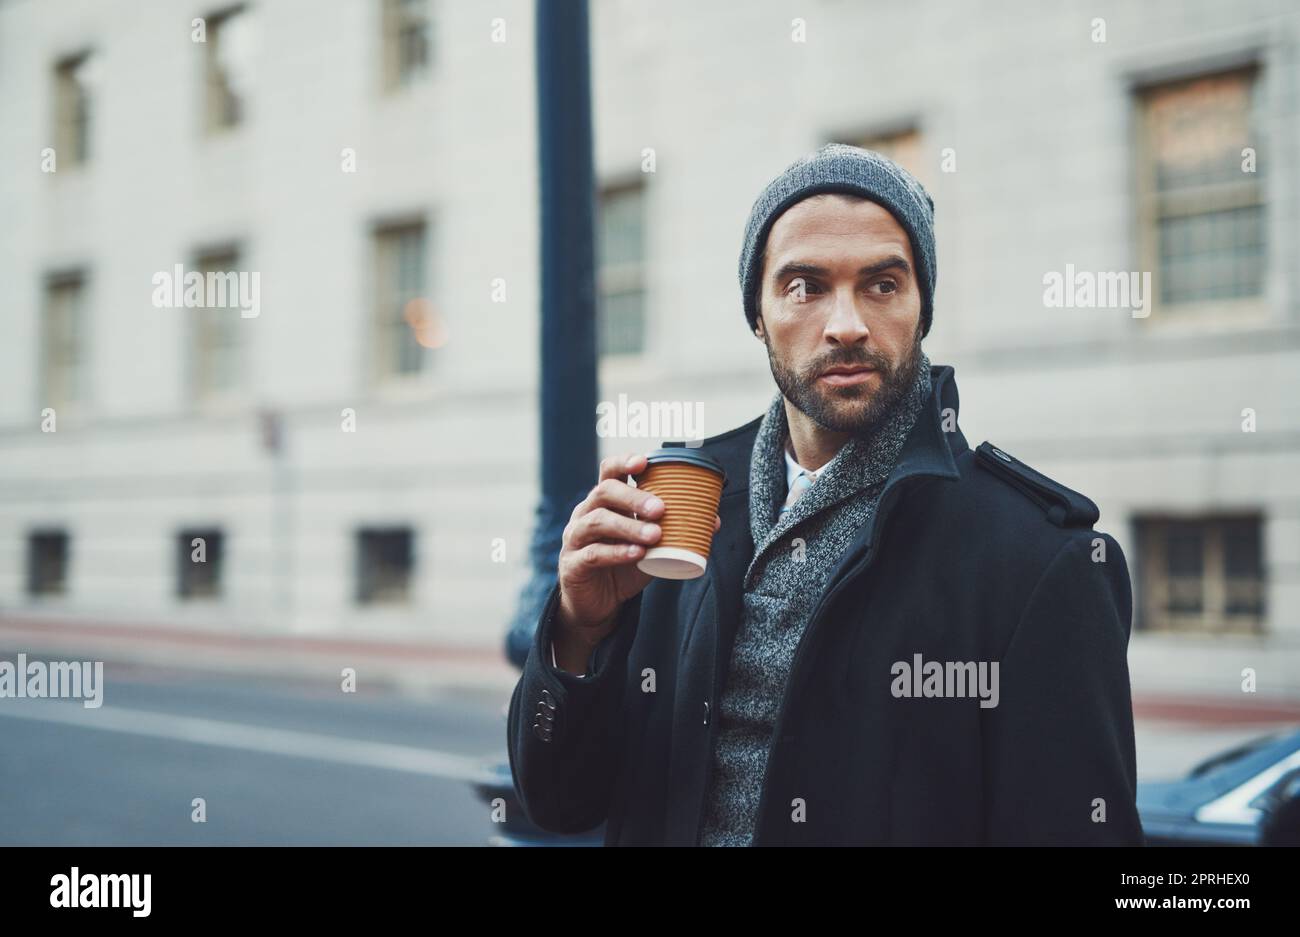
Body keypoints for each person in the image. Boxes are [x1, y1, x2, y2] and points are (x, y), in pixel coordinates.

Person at [507, 143, 1143, 846]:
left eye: (882, 284)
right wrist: (579, 630)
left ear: (922, 307)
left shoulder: (1039, 561)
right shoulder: (677, 508)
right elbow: (561, 802)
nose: (846, 323)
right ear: (758, 314)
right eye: (804, 285)